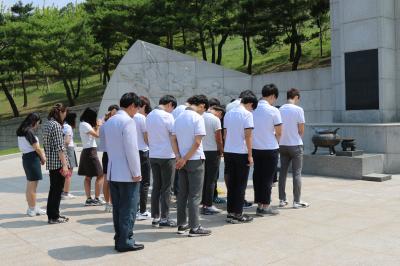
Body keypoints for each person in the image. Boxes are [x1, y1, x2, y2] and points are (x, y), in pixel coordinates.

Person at [103, 92, 144, 252]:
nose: (137, 111)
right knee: (129, 209)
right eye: (137, 108)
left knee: (118, 208)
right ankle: (126, 240)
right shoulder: (128, 122)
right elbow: (132, 150)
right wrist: (136, 172)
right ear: (132, 106)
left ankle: (119, 237)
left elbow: (105, 147)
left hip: (113, 171)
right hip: (127, 173)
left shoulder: (110, 121)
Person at [172, 95, 211, 236]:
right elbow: (197, 142)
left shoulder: (179, 118)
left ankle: (182, 225)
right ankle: (195, 227)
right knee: (195, 195)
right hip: (194, 159)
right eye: (204, 109)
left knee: (182, 194)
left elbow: (173, 139)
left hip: (182, 159)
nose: (203, 112)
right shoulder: (197, 118)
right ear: (200, 105)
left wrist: (179, 157)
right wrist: (185, 158)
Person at [224, 94, 258, 223]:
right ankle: (238, 214)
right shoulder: (247, 115)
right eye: (252, 108)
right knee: (240, 184)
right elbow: (248, 136)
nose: (251, 110)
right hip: (241, 153)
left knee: (231, 183)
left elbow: (225, 134)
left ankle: (230, 213)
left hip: (229, 152)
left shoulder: (229, 113)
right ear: (250, 104)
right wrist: (250, 155)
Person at [146, 95, 177, 227]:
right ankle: (164, 217)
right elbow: (173, 136)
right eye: (172, 108)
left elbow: (146, 135)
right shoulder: (167, 116)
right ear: (170, 104)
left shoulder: (150, 115)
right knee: (167, 188)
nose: (172, 111)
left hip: (153, 154)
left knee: (156, 186)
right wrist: (178, 153)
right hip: (167, 156)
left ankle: (155, 217)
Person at [252, 84, 281, 216]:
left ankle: (259, 204)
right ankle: (265, 206)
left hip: (255, 148)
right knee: (268, 178)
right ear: (273, 96)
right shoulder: (274, 111)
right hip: (270, 148)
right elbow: (279, 132)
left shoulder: (253, 110)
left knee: (258, 176)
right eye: (275, 98)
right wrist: (277, 140)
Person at [279, 88, 309, 209]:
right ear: (296, 97)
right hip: (295, 144)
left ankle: (282, 199)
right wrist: (297, 137)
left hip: (282, 144)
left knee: (282, 172)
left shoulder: (279, 109)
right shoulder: (298, 110)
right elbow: (301, 130)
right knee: (297, 173)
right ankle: (296, 201)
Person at [43, 103, 70, 224]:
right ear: (61, 112)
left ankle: (53, 214)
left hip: (52, 162)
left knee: (53, 190)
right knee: (57, 190)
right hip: (58, 163)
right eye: (65, 113)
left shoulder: (48, 124)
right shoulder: (57, 126)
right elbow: (60, 147)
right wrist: (64, 165)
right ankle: (54, 217)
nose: (65, 116)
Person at [16, 113, 47, 217]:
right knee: (33, 186)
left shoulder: (22, 130)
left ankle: (32, 207)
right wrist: (42, 157)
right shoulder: (29, 131)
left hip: (27, 158)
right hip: (32, 158)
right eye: (38, 123)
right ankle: (33, 209)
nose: (38, 125)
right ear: (34, 121)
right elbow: (36, 147)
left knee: (30, 185)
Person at [78, 107, 104, 206]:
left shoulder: (84, 124)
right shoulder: (85, 124)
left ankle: (89, 199)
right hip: (90, 152)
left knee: (88, 176)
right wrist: (98, 125)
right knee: (100, 175)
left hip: (87, 151)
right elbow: (97, 135)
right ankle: (96, 198)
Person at [201, 105, 224, 215]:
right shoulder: (215, 120)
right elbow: (219, 139)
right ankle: (208, 205)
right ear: (217, 112)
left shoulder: (198, 117)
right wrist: (221, 151)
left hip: (200, 151)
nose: (220, 117)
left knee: (203, 179)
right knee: (211, 180)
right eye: (221, 114)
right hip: (212, 152)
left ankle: (202, 202)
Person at [99, 105, 120, 212]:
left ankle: (108, 203)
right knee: (111, 179)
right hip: (113, 153)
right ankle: (111, 202)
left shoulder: (103, 125)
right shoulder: (114, 125)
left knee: (107, 178)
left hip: (106, 154)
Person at [134, 97, 152, 220]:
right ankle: (142, 211)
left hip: (131, 152)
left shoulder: (128, 117)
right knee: (144, 182)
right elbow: (146, 137)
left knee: (134, 182)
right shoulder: (141, 118)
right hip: (143, 152)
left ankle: (134, 209)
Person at [62, 112, 77, 200]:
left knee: (65, 172)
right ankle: (66, 193)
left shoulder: (64, 125)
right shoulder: (68, 127)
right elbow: (67, 141)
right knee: (69, 172)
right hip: (69, 149)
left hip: (66, 150)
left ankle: (63, 191)